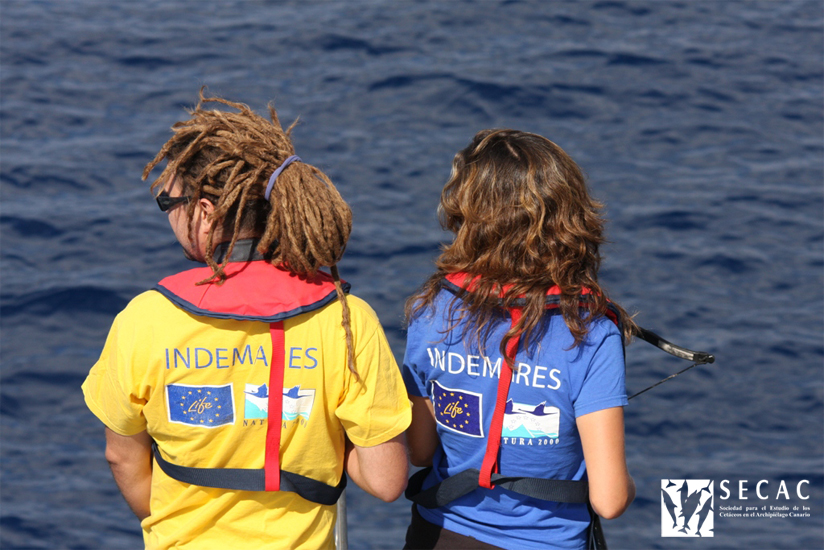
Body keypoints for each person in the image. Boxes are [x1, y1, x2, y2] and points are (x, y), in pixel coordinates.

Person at [82, 91, 411, 550]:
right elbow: (386, 480)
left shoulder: (146, 320)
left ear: (204, 212)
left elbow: (122, 457)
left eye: (168, 203)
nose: (168, 216)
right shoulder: (346, 318)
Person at [401, 129, 636, 550]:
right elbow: (610, 500)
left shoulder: (431, 310)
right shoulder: (591, 332)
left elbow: (419, 452)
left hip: (439, 535)